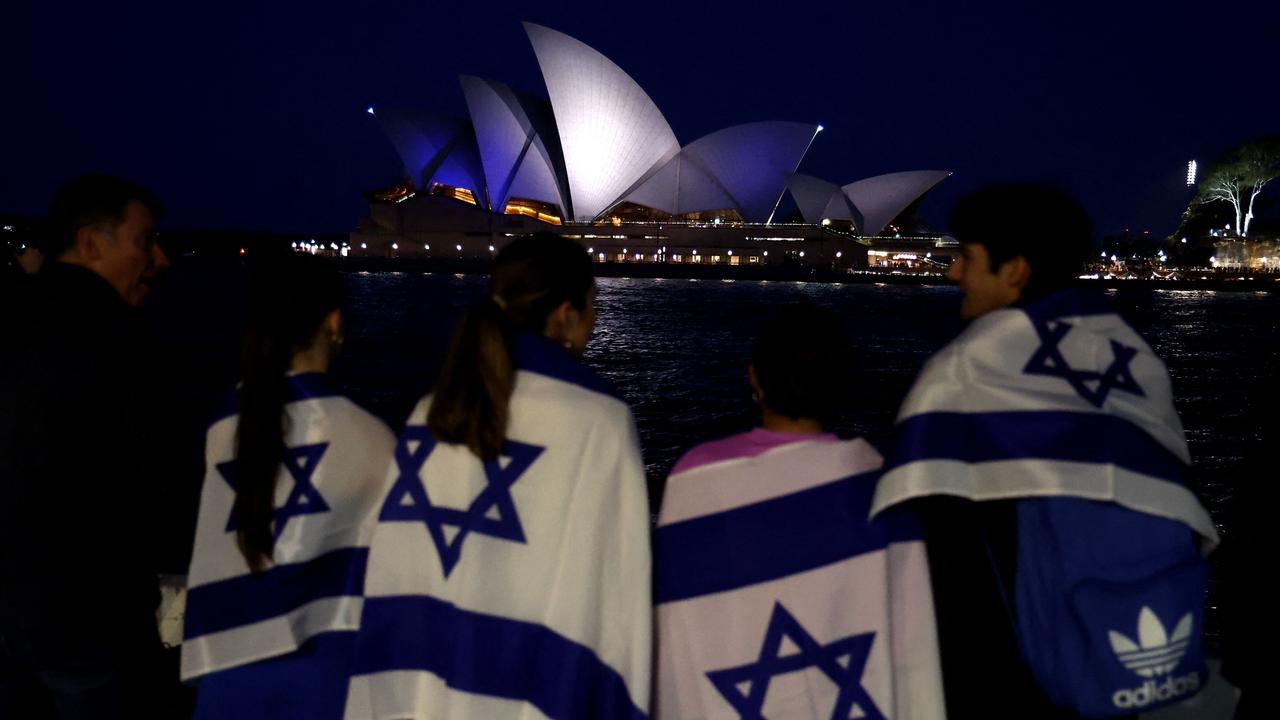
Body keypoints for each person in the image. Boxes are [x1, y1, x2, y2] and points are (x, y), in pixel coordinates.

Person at [870, 184, 1218, 719]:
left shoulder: (963, 372)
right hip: (1131, 661)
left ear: (1014, 269)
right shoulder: (1134, 361)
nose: (951, 273)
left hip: (1010, 680)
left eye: (966, 257)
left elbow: (933, 550)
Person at [346, 233, 651, 720]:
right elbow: (616, 591)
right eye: (593, 306)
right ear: (564, 316)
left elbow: (401, 565)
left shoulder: (433, 410)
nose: (595, 324)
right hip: (526, 687)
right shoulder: (599, 419)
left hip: (422, 686)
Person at [653, 304, 944, 720]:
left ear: (754, 377)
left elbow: (676, 629)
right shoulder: (881, 490)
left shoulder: (694, 481)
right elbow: (911, 640)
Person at [181, 253, 395, 719]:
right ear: (334, 322)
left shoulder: (222, 421)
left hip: (226, 669)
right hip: (327, 675)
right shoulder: (372, 438)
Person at [0, 175, 172, 719]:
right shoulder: (120, 337)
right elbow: (161, 479)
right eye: (144, 241)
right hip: (84, 614)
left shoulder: (11, 313)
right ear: (92, 243)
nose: (160, 260)